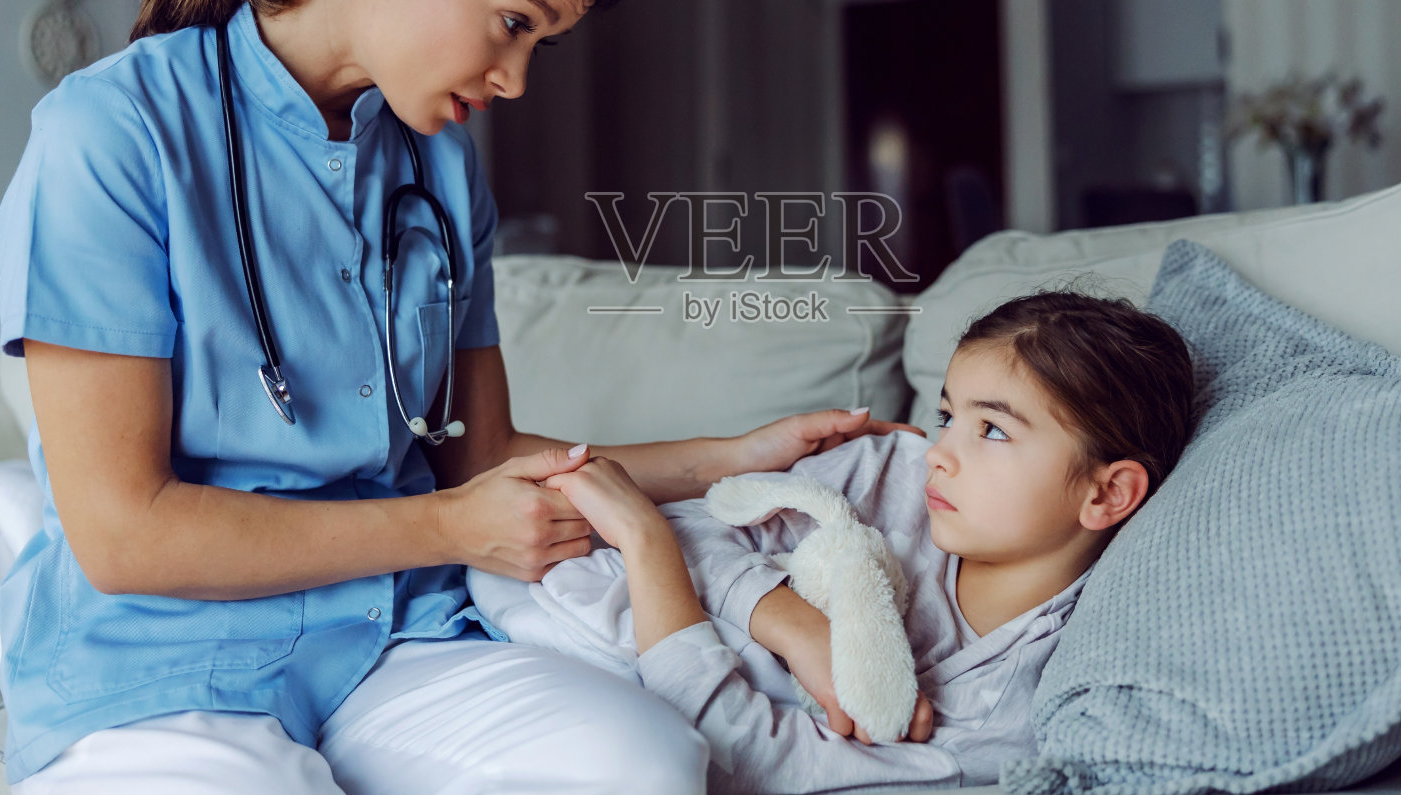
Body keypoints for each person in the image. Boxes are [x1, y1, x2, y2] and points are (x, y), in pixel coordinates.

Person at [0, 0, 911, 795]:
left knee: (644, 765)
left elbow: (479, 452)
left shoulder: (436, 167)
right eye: (513, 22)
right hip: (160, 663)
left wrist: (736, 452)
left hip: (390, 638)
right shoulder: (110, 134)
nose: (513, 80)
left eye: (540, 44)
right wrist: (442, 524)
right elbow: (124, 533)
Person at [471, 291, 1197, 793]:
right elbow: (702, 516)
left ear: (1106, 493)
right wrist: (790, 620)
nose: (941, 449)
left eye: (994, 429)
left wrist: (646, 541)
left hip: (605, 715)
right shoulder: (896, 475)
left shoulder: (1008, 707)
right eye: (949, 415)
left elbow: (757, 767)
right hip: (510, 603)